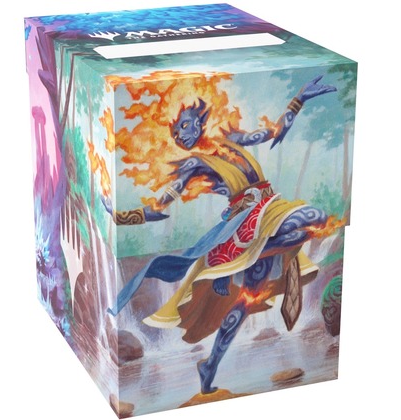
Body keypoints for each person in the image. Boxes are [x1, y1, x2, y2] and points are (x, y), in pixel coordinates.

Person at [102, 76, 337, 394]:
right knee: (303, 230)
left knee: (306, 228)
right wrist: (117, 216)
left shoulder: (232, 139)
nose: (180, 134)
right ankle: (212, 359)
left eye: (184, 126)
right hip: (246, 222)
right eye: (176, 133)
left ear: (199, 122)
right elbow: (158, 207)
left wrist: (300, 99)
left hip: (269, 209)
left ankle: (210, 364)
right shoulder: (193, 165)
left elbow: (274, 132)